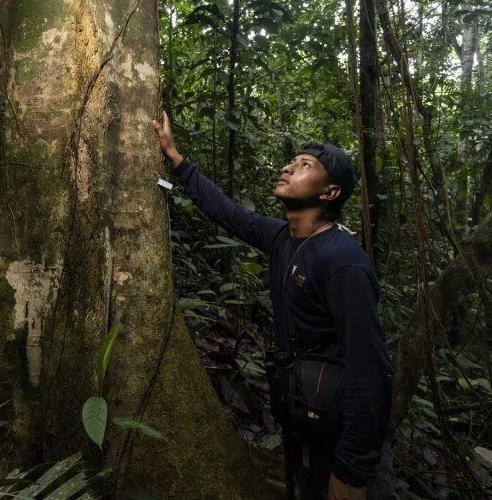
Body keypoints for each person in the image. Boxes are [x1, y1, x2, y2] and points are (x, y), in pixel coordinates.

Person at [151, 112, 396, 500]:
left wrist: (352, 469)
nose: (288, 167)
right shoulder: (284, 237)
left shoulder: (341, 261)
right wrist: (175, 157)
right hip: (307, 424)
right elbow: (229, 213)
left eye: (305, 165)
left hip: (345, 441)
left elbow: (370, 368)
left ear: (330, 192)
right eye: (291, 161)